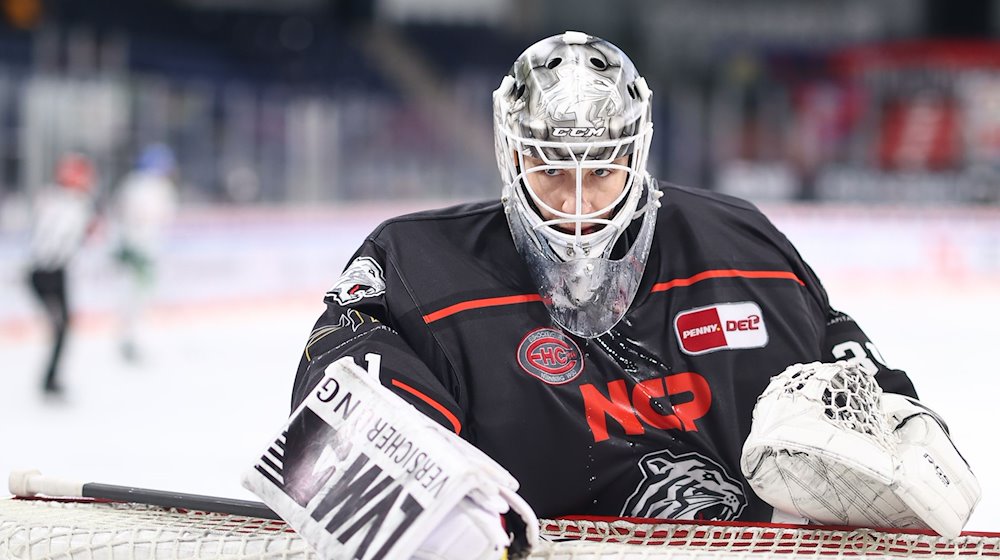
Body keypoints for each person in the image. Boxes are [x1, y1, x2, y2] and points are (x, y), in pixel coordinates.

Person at [282, 31, 978, 554]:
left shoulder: (742, 246)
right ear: (512, 151)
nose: (577, 201)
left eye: (602, 168)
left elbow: (853, 376)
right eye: (551, 167)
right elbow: (325, 445)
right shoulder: (415, 267)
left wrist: (898, 434)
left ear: (637, 150)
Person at [26, 152, 98, 397]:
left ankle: (51, 378)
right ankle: (50, 379)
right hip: (49, 272)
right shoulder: (73, 204)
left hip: (48, 271)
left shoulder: (52, 198)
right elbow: (66, 241)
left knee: (63, 328)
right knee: (62, 327)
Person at [111, 143, 178, 362]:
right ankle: (135, 341)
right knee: (141, 297)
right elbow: (164, 216)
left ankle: (129, 339)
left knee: (131, 296)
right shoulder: (158, 187)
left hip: (129, 248)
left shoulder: (130, 183)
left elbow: (119, 213)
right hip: (145, 250)